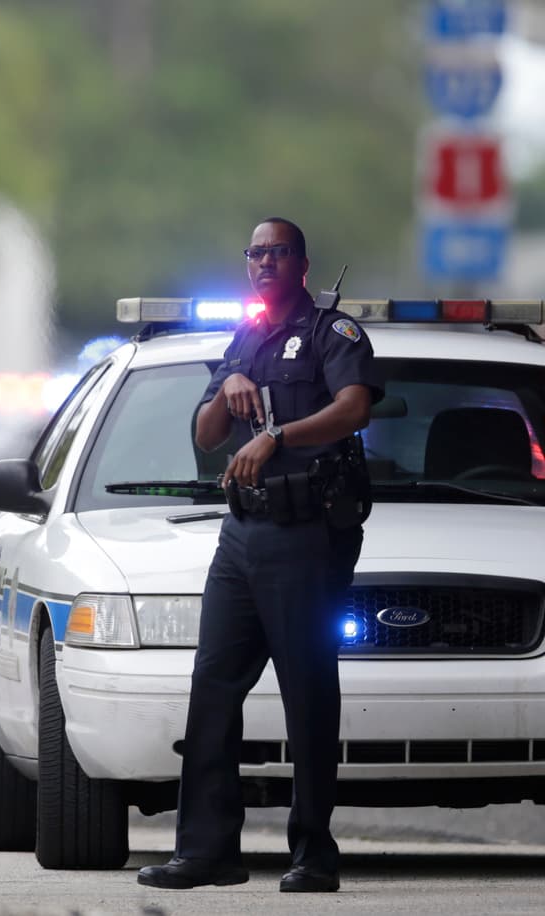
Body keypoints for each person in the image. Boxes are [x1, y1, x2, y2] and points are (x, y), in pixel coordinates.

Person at [137, 217, 381, 893]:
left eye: (278, 253)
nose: (265, 262)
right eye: (256, 253)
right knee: (213, 686)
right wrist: (227, 390)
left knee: (307, 692)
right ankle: (208, 851)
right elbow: (208, 432)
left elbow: (354, 408)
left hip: (305, 535)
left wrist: (274, 434)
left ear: (302, 263)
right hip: (241, 535)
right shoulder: (244, 336)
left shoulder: (334, 333)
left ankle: (313, 854)